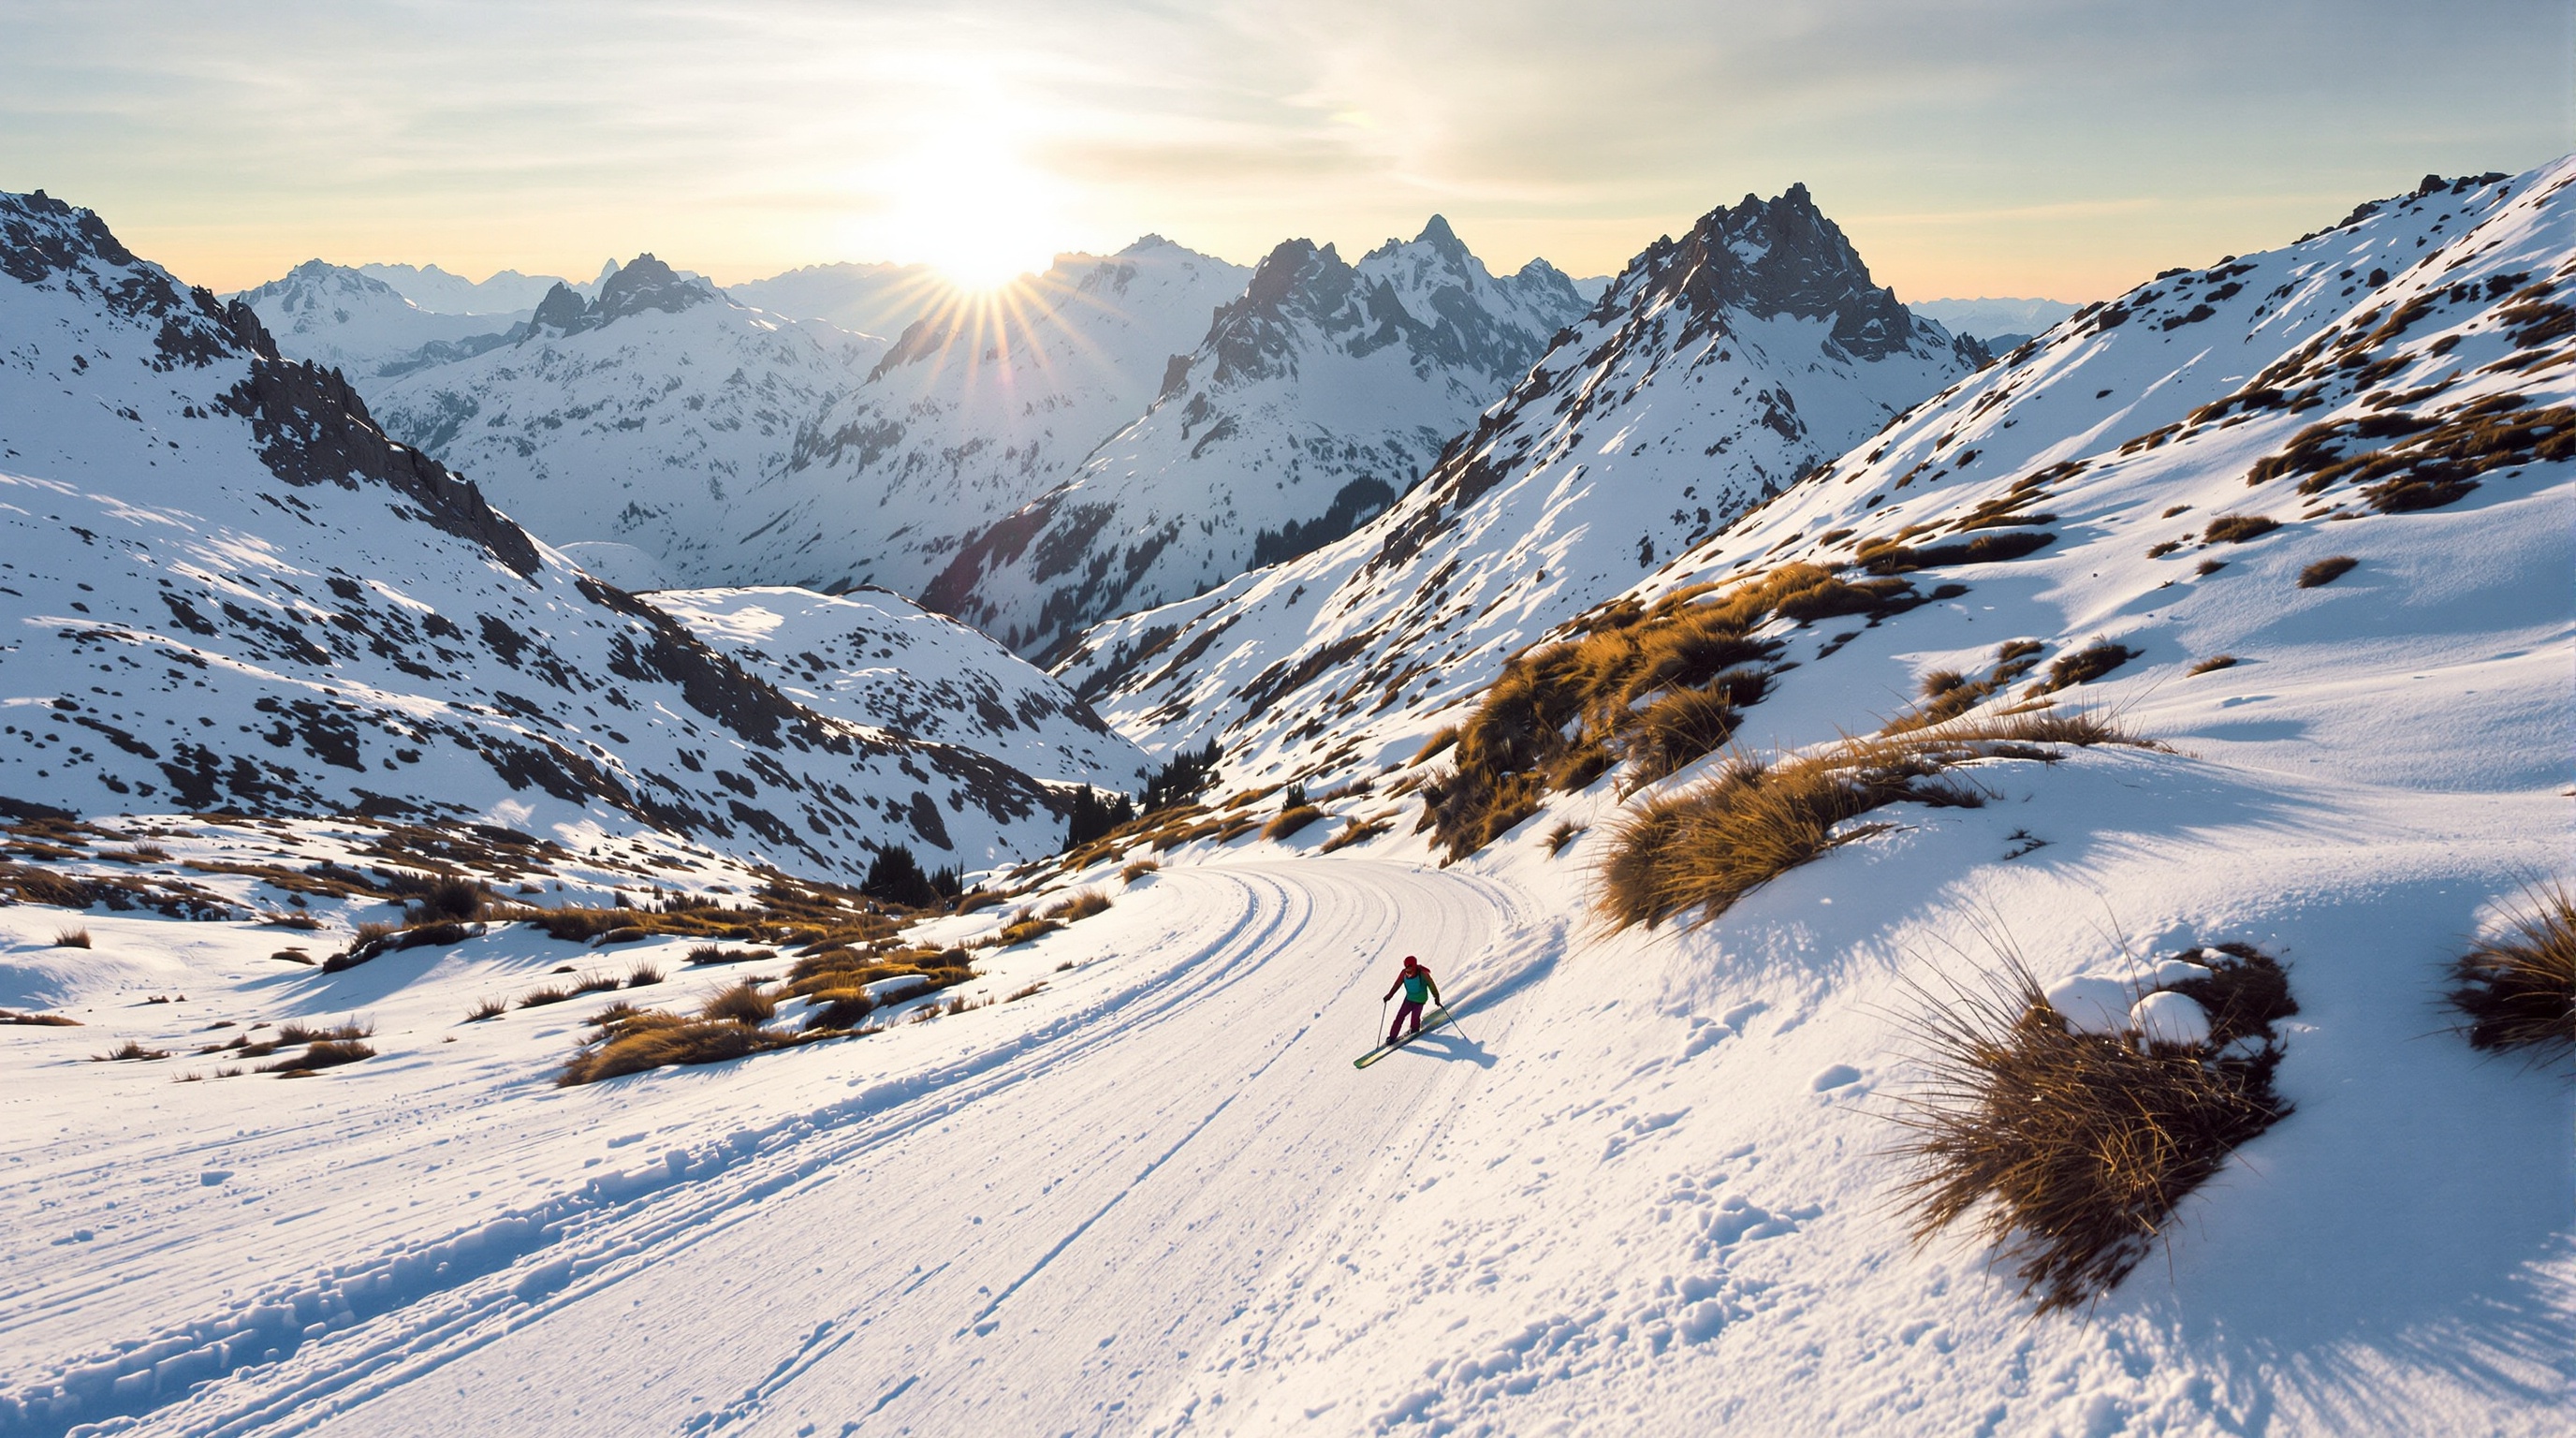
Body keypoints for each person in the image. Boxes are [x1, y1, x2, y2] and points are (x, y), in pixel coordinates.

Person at [1383, 955, 1442, 1045]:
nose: (1408, 971)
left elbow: (1431, 985)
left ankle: (1414, 1030)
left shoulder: (1423, 974)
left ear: (1414, 966)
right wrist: (1390, 995)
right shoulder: (1404, 973)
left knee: (1415, 1017)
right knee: (1399, 1017)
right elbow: (1397, 984)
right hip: (1409, 998)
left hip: (1420, 999)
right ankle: (1392, 1037)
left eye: (1410, 968)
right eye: (1407, 968)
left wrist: (1436, 997)